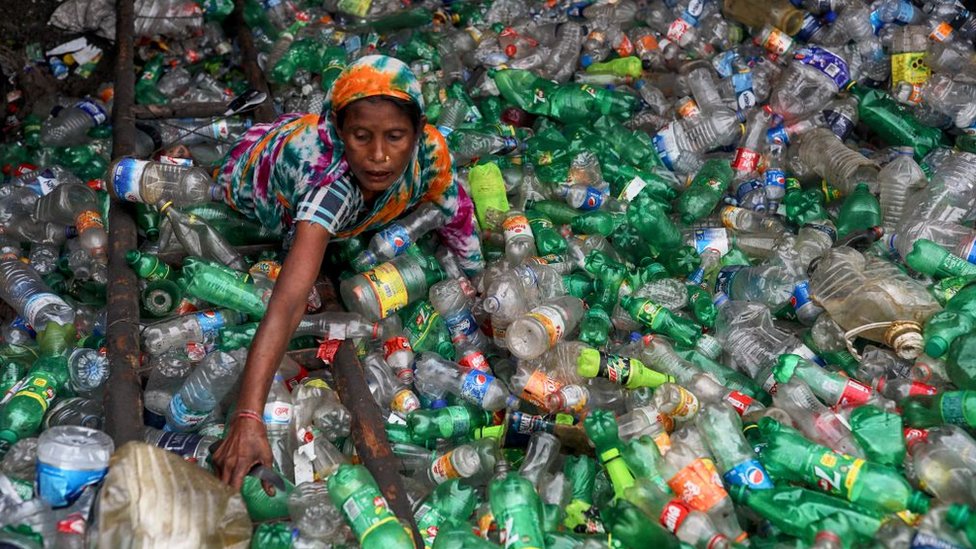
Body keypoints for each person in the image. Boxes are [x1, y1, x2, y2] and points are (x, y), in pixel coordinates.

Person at [212, 55, 483, 489]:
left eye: (395, 136)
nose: (379, 155)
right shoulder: (328, 187)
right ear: (340, 132)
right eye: (361, 136)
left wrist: (479, 283)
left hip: (298, 137)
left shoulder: (431, 150)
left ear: (418, 131)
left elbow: (455, 211)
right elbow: (288, 299)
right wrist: (247, 417)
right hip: (254, 170)